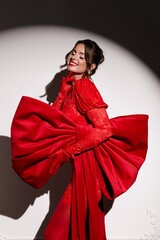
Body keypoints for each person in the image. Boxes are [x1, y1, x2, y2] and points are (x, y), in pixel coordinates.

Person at [11, 39, 148, 240]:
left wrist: (66, 152)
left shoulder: (84, 87)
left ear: (91, 66)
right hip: (81, 167)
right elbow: (52, 124)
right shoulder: (73, 87)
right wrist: (61, 94)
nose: (74, 57)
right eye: (74, 52)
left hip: (89, 171)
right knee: (70, 232)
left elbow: (104, 129)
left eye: (82, 56)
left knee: (55, 234)